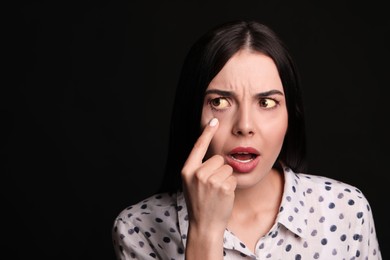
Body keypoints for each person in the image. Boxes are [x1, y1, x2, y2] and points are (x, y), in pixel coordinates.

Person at [111, 20, 382, 259]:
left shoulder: (346, 209)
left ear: (291, 115)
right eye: (219, 102)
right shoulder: (139, 228)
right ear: (192, 112)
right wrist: (205, 230)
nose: (245, 126)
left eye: (266, 102)